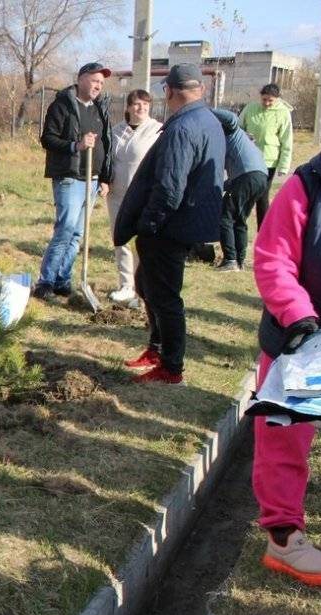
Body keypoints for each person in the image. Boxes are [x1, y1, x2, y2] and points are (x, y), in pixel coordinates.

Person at [247, 85, 321, 587]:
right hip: (298, 339)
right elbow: (272, 259)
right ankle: (284, 539)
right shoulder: (306, 186)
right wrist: (298, 316)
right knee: (283, 440)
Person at [113, 64, 224, 385]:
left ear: (171, 91)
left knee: (165, 296)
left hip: (169, 227)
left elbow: (170, 187)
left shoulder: (182, 128)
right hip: (187, 221)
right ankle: (157, 348)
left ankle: (171, 367)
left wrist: (149, 224)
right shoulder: (208, 120)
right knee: (146, 283)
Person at [36, 61, 113, 303]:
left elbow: (107, 144)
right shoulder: (63, 105)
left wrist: (106, 177)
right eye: (94, 80)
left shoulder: (101, 108)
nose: (98, 85)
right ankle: (45, 281)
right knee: (65, 229)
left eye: (101, 82)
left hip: (92, 178)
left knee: (78, 233)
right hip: (69, 176)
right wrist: (75, 146)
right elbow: (47, 138)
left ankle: (63, 279)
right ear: (81, 79)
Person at [107, 89, 162, 307]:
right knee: (120, 239)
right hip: (117, 193)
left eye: (146, 105)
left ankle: (142, 290)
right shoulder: (116, 131)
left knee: (142, 242)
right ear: (128, 107)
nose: (141, 108)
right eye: (137, 104)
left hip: (143, 195)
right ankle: (126, 285)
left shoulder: (157, 130)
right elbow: (107, 160)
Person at [214, 109, 270, 272]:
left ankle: (230, 260)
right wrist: (219, 188)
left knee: (226, 216)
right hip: (260, 177)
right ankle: (240, 260)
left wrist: (205, 110)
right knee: (239, 218)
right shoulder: (237, 143)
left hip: (247, 175)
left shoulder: (233, 131)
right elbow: (232, 178)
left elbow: (231, 118)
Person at [238, 82, 294, 228]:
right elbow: (238, 128)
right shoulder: (251, 108)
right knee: (247, 194)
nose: (267, 103)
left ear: (277, 99)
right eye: (264, 99)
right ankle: (240, 224)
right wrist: (245, 135)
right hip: (248, 158)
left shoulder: (283, 113)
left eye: (271, 100)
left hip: (269, 161)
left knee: (262, 196)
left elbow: (287, 140)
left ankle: (263, 229)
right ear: (260, 97)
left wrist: (283, 165)